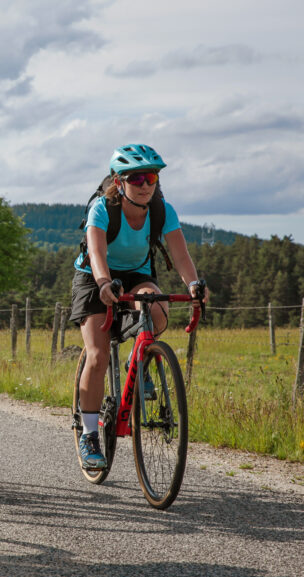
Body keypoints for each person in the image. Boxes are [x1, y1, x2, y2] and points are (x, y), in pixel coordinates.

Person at [69, 143, 209, 470]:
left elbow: (180, 256)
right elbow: (97, 253)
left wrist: (193, 285)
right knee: (98, 355)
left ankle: (141, 359)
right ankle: (89, 434)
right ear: (119, 182)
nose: (145, 185)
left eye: (151, 178)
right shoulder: (103, 208)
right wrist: (104, 284)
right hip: (94, 276)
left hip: (136, 274)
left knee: (157, 309)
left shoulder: (163, 210)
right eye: (136, 178)